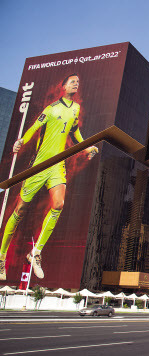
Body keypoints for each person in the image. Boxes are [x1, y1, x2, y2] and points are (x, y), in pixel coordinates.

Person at [0, 74, 98, 280]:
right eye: (72, 81)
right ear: (62, 87)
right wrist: (21, 141)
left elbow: (75, 133)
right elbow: (35, 127)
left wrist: (86, 147)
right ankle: (1, 257)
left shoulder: (76, 109)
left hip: (57, 167)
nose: (76, 83)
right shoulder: (51, 109)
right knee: (20, 209)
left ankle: (35, 252)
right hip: (40, 165)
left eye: (78, 81)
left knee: (59, 204)